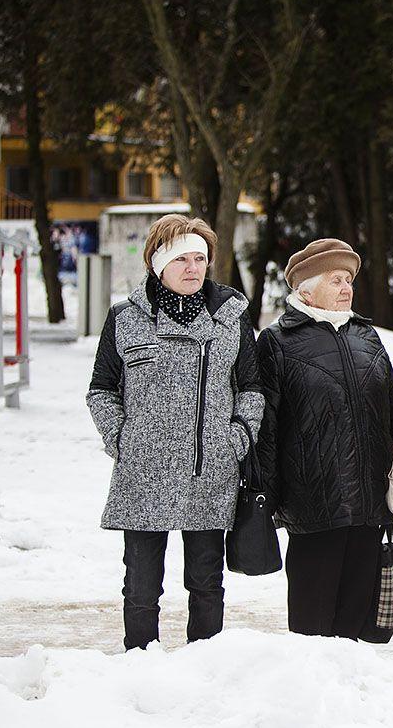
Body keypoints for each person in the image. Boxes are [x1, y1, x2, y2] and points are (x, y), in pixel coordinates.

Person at [86, 214, 263, 651]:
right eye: (182, 259)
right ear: (157, 263)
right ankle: (140, 663)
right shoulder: (126, 317)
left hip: (210, 472)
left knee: (206, 584)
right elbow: (101, 390)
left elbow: (252, 388)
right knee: (141, 589)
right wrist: (122, 440)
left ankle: (205, 665)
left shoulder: (230, 316)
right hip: (143, 475)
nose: (193, 268)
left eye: (200, 259)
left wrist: (237, 438)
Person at [255, 239, 393, 639]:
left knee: (354, 628)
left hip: (368, 506)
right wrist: (266, 499)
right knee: (312, 629)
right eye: (335, 280)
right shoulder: (277, 341)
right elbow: (266, 429)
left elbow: (392, 417)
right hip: (313, 510)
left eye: (349, 280)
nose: (346, 288)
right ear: (305, 290)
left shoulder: (366, 337)